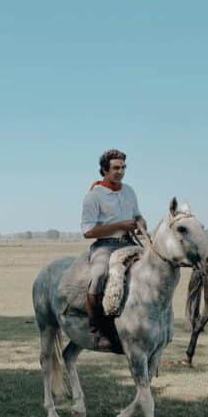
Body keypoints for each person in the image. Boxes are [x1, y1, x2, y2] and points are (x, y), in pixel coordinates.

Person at [80, 148, 147, 350]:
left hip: (129, 242)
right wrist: (119, 226)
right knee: (99, 276)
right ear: (104, 170)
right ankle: (97, 330)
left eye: (123, 167)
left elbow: (136, 215)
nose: (120, 171)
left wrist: (141, 222)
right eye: (115, 168)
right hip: (105, 245)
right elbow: (88, 231)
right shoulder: (94, 196)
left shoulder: (129, 191)